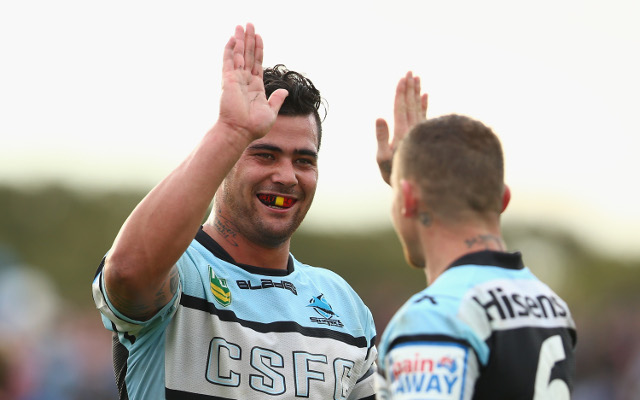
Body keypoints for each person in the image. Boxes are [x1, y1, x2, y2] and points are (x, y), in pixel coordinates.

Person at [91, 23, 377, 400]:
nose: (287, 176)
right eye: (265, 154)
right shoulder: (180, 271)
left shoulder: (345, 305)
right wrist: (230, 131)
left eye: (304, 160)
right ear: (226, 160)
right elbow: (127, 272)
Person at [373, 72, 576, 399]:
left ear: (408, 200)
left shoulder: (435, 316)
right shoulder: (551, 305)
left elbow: (451, 307)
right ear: (503, 199)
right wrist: (407, 175)